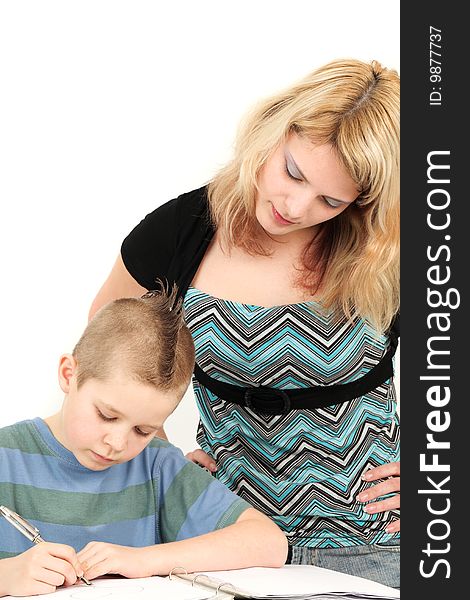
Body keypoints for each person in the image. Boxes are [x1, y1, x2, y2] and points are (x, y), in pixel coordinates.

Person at [88, 58, 400, 588]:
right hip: (221, 536)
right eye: (292, 172)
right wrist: (160, 454)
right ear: (272, 127)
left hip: (373, 540)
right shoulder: (181, 229)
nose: (295, 206)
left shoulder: (385, 254)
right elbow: (107, 346)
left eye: (330, 199)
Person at [0, 290, 287, 597]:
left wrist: (142, 560)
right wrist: (5, 576)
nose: (117, 443)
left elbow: (269, 543)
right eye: (106, 415)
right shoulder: (6, 458)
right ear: (69, 375)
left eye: (143, 430)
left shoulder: (156, 464)